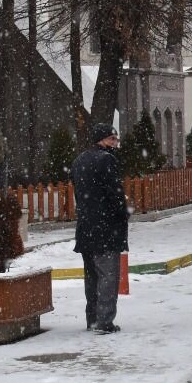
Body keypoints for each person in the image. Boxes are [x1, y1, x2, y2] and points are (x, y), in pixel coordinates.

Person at [73, 123, 128, 334]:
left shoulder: (79, 160)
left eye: (116, 139)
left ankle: (93, 319)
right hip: (106, 227)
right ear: (101, 140)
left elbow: (80, 194)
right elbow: (115, 193)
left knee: (91, 276)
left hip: (86, 227)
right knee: (108, 275)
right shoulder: (107, 160)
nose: (115, 143)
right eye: (112, 139)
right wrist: (122, 212)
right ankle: (105, 322)